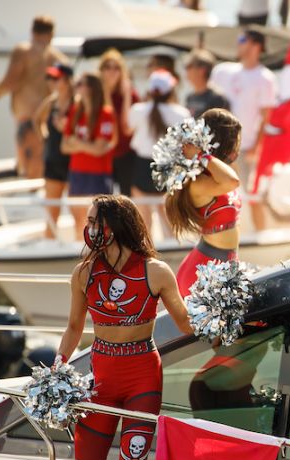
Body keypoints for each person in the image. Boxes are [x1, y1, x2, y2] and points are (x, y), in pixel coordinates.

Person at [57, 196, 195, 460]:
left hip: (142, 380)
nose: (90, 228)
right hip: (101, 381)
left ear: (116, 225)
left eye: (96, 222)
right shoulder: (83, 273)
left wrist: (221, 319)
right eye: (89, 222)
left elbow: (185, 323)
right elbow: (73, 327)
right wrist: (58, 368)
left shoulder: (155, 271)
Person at [165, 109, 245, 296]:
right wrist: (200, 155)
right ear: (224, 142)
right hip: (204, 269)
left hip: (224, 264)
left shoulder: (214, 174)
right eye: (236, 142)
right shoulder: (197, 182)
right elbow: (233, 182)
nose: (237, 150)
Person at [212, 30, 278, 231]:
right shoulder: (223, 71)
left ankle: (260, 236)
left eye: (242, 40)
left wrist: (256, 147)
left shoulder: (265, 77)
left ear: (256, 46)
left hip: (246, 146)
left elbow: (266, 117)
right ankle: (224, 235)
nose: (237, 44)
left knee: (251, 194)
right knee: (221, 194)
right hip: (220, 146)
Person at [0, 16, 67, 179]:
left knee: (29, 167)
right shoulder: (59, 58)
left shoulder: (23, 51)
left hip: (28, 119)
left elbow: (10, 81)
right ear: (52, 34)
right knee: (41, 164)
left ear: (32, 31)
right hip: (48, 120)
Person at [129, 70, 192, 235]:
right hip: (168, 168)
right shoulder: (181, 113)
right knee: (170, 222)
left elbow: (127, 128)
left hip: (141, 167)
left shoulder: (138, 110)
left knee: (144, 221)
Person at [62, 72, 119, 236]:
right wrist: (88, 145)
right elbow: (64, 146)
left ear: (91, 88)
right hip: (77, 172)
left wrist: (77, 143)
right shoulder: (75, 111)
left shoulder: (105, 114)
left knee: (99, 218)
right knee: (78, 217)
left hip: (98, 174)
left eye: (81, 83)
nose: (76, 86)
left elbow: (99, 149)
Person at [33, 62, 75, 238]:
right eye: (49, 78)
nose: (51, 82)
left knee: (77, 210)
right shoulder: (51, 103)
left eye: (56, 78)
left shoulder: (77, 103)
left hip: (73, 162)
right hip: (53, 161)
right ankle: (49, 243)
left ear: (67, 80)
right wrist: (46, 138)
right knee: (51, 210)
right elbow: (37, 120)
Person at [98, 49, 140, 196]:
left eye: (116, 67)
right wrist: (105, 93)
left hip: (126, 152)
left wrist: (127, 94)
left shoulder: (130, 93)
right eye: (107, 67)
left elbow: (126, 126)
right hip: (102, 151)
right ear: (101, 70)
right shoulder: (95, 93)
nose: (112, 71)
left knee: (126, 197)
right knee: (102, 198)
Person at [183, 50, 231, 118]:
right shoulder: (190, 97)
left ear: (202, 70)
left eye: (189, 66)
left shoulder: (217, 98)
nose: (186, 71)